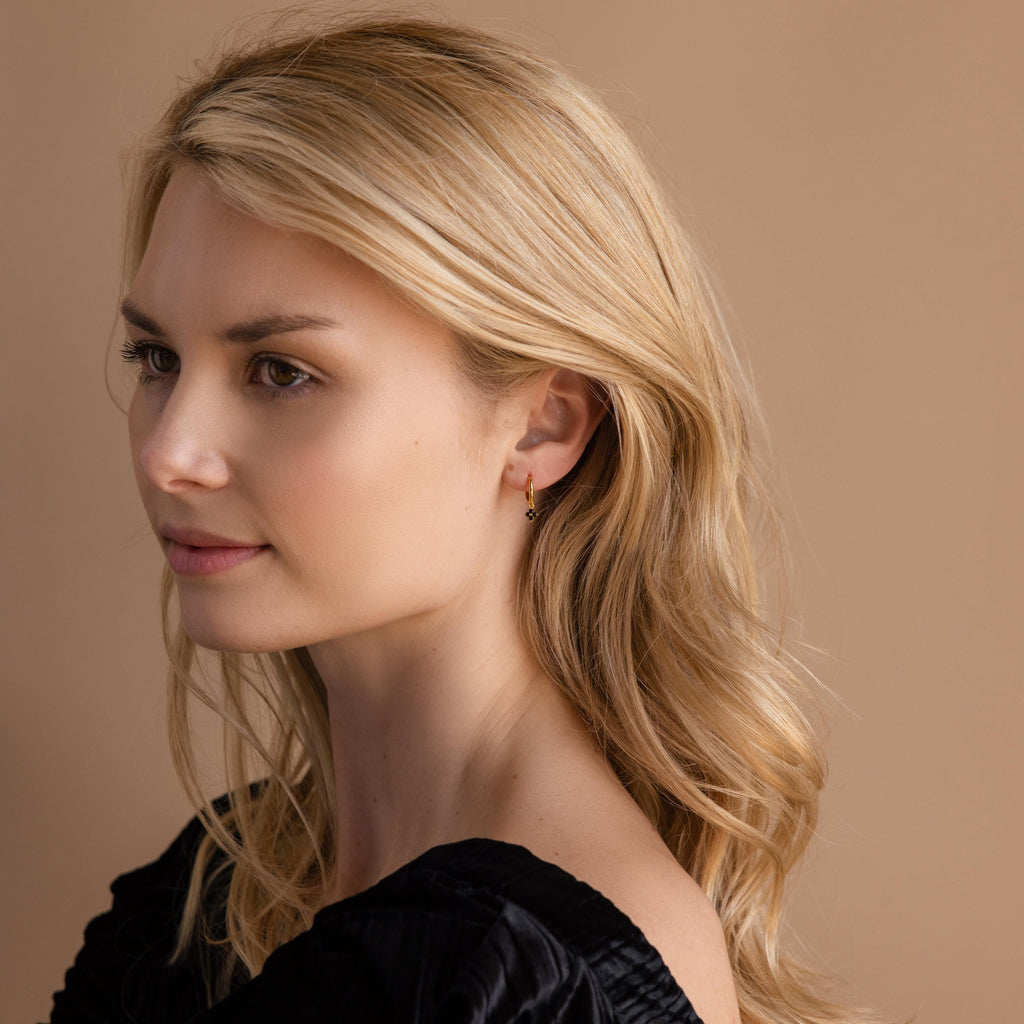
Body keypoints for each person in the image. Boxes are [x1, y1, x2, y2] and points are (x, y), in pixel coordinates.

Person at [49, 15, 867, 1024]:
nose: (169, 450)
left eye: (281, 372)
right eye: (156, 359)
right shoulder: (226, 883)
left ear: (542, 427)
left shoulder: (532, 979)